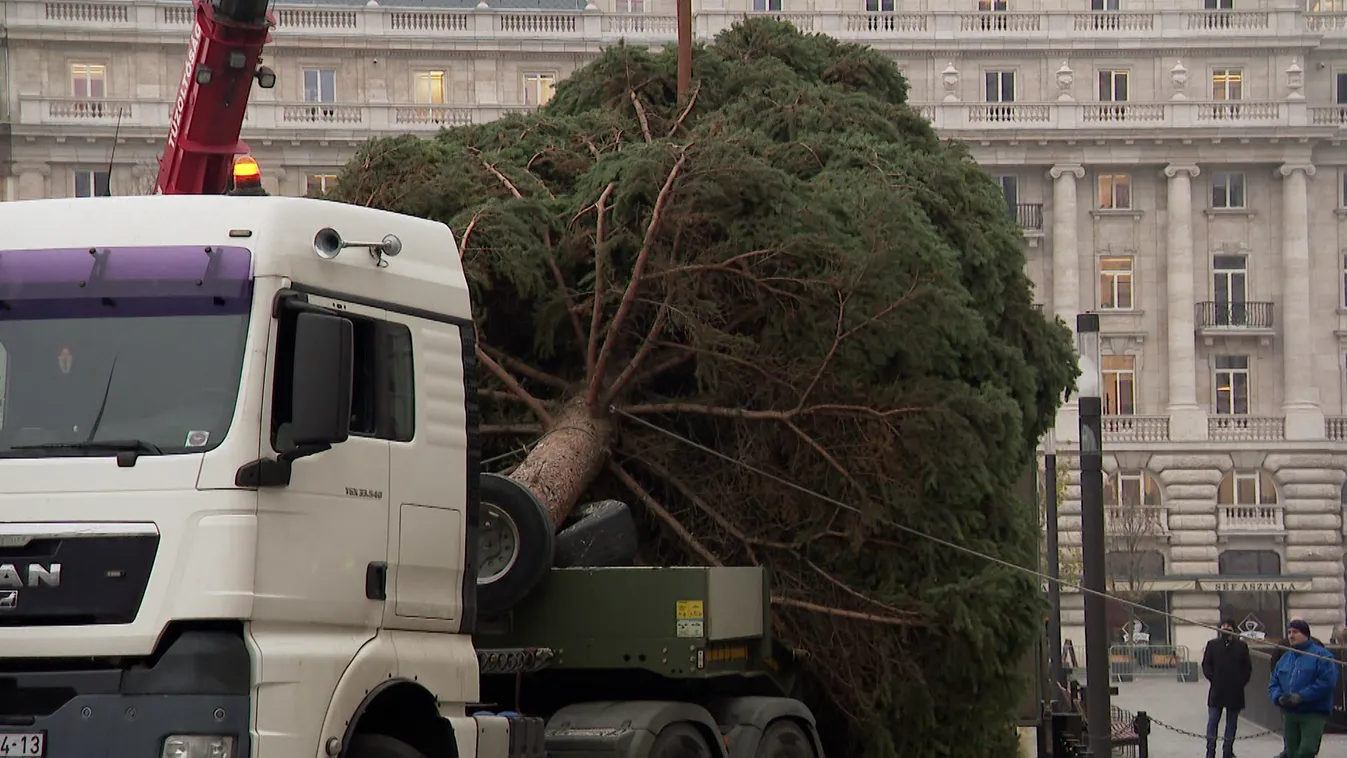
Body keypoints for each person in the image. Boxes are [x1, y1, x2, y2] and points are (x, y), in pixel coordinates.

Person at [1268, 619, 1339, 758]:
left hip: (1313, 713)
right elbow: (1273, 683)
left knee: (1306, 751)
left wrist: (1301, 696)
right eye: (1289, 632)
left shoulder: (1321, 656)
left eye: (1295, 632)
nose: (1291, 635)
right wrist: (1278, 697)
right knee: (1292, 752)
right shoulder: (1285, 659)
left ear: (1306, 634)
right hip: (1289, 714)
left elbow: (1327, 683)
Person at [1202, 619, 1252, 758]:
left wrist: (1240, 682)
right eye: (1223, 626)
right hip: (1217, 690)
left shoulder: (1241, 646)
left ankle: (1227, 751)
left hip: (1235, 691)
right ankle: (1210, 751)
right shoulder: (1213, 645)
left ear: (1233, 629)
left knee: (1231, 723)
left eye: (1228, 626)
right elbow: (1206, 665)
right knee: (1213, 720)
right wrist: (1213, 678)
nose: (1225, 628)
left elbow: (1247, 668)